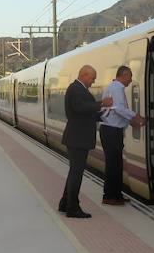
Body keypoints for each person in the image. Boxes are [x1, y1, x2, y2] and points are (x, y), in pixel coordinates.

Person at [59, 65, 113, 218]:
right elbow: (79, 107)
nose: (93, 81)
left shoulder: (78, 88)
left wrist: (102, 115)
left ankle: (65, 203)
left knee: (74, 172)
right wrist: (101, 103)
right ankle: (73, 208)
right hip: (77, 139)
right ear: (84, 75)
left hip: (77, 137)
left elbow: (85, 112)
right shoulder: (76, 89)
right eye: (92, 78)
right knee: (76, 173)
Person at [100, 66, 145, 205]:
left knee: (115, 164)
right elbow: (119, 109)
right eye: (130, 77)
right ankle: (110, 196)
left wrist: (130, 122)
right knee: (114, 165)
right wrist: (136, 117)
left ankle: (115, 194)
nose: (131, 81)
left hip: (110, 130)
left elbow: (116, 111)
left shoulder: (114, 87)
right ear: (124, 75)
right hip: (112, 131)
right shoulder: (117, 88)